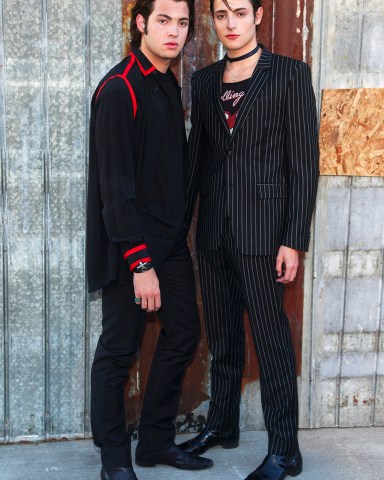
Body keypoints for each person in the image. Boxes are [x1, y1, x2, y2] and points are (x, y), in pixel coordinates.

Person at [179, 1, 319, 479]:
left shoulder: (289, 75)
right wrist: (179, 234)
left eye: (239, 12)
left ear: (258, 15)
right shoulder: (203, 81)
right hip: (214, 231)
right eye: (221, 15)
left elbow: (303, 167)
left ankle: (285, 450)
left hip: (265, 235)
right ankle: (222, 424)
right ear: (213, 21)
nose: (230, 23)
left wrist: (293, 240)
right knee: (222, 337)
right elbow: (196, 161)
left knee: (272, 342)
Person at [86, 0, 214, 478]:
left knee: (183, 332)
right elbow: (114, 190)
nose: (174, 32)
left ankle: (156, 442)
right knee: (119, 350)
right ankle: (115, 461)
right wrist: (140, 264)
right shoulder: (120, 89)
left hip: (169, 243)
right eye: (164, 21)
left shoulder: (164, 80)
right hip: (130, 248)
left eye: (182, 23)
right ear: (140, 23)